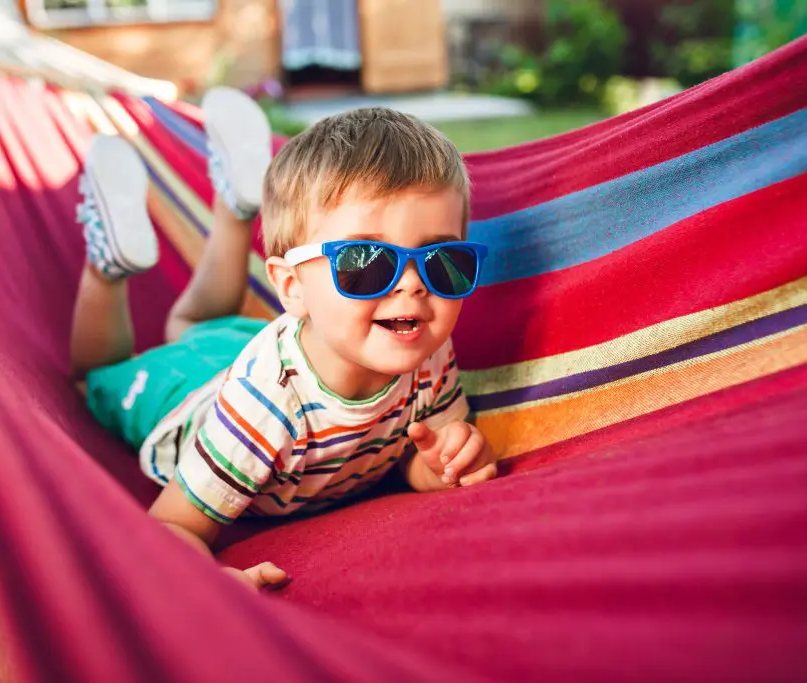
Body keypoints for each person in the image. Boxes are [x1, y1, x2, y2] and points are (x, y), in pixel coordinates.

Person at [70, 87, 498, 591]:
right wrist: (211, 583)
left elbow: (411, 454)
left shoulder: (424, 342)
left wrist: (440, 464)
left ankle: (235, 207)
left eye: (444, 262)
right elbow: (169, 526)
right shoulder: (263, 412)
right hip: (185, 399)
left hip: (258, 350)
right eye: (364, 262)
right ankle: (107, 267)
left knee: (191, 325)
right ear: (291, 287)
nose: (414, 283)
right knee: (95, 375)